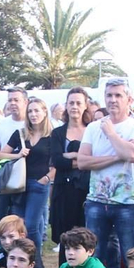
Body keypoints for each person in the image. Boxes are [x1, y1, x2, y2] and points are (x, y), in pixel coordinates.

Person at [76, 79, 134, 268]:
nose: (113, 100)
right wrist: (118, 156)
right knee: (93, 255)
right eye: (109, 95)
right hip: (97, 202)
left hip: (128, 203)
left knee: (131, 256)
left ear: (129, 99)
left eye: (118, 95)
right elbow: (82, 161)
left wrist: (110, 133)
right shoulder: (92, 127)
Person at [50, 88, 93, 245]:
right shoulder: (57, 133)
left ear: (85, 106)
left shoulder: (93, 130)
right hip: (64, 191)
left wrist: (74, 156)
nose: (74, 106)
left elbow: (97, 159)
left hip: (88, 190)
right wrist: (85, 161)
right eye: (71, 103)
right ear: (66, 106)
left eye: (78, 103)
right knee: (65, 236)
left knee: (86, 236)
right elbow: (57, 161)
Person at [20, 97, 57, 268]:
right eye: (30, 111)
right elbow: (1, 154)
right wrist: (17, 154)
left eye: (37, 110)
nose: (33, 114)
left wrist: (46, 179)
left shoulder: (52, 136)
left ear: (44, 112)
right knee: (20, 225)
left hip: (40, 185)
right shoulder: (22, 133)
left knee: (32, 226)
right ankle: (21, 261)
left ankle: (37, 265)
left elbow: (58, 162)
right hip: (20, 185)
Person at [0, 88, 30, 234]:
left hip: (26, 180)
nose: (12, 103)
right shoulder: (2, 123)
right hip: (3, 179)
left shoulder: (33, 124)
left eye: (16, 100)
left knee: (22, 221)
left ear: (25, 102)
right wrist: (2, 173)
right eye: (10, 100)